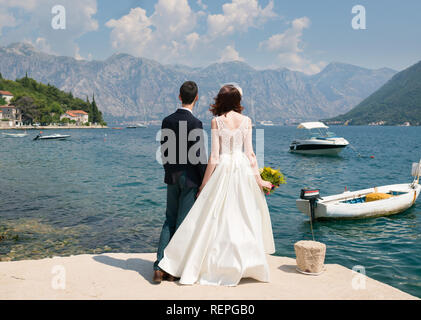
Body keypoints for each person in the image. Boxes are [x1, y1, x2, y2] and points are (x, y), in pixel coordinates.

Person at [158, 84, 275, 286]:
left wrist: (204, 186)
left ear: (220, 100)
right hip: (242, 170)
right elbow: (251, 155)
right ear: (238, 101)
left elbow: (213, 156)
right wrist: (259, 180)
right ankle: (245, 264)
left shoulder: (216, 122)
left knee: (214, 218)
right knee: (243, 216)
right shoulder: (247, 121)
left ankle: (182, 264)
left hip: (223, 169)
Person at [153, 81, 207, 283]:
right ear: (197, 97)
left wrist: (170, 172)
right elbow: (199, 157)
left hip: (172, 176)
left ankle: (159, 266)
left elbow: (164, 151)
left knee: (169, 219)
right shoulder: (196, 124)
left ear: (179, 96)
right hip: (190, 179)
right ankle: (172, 268)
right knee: (183, 224)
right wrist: (203, 182)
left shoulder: (167, 120)